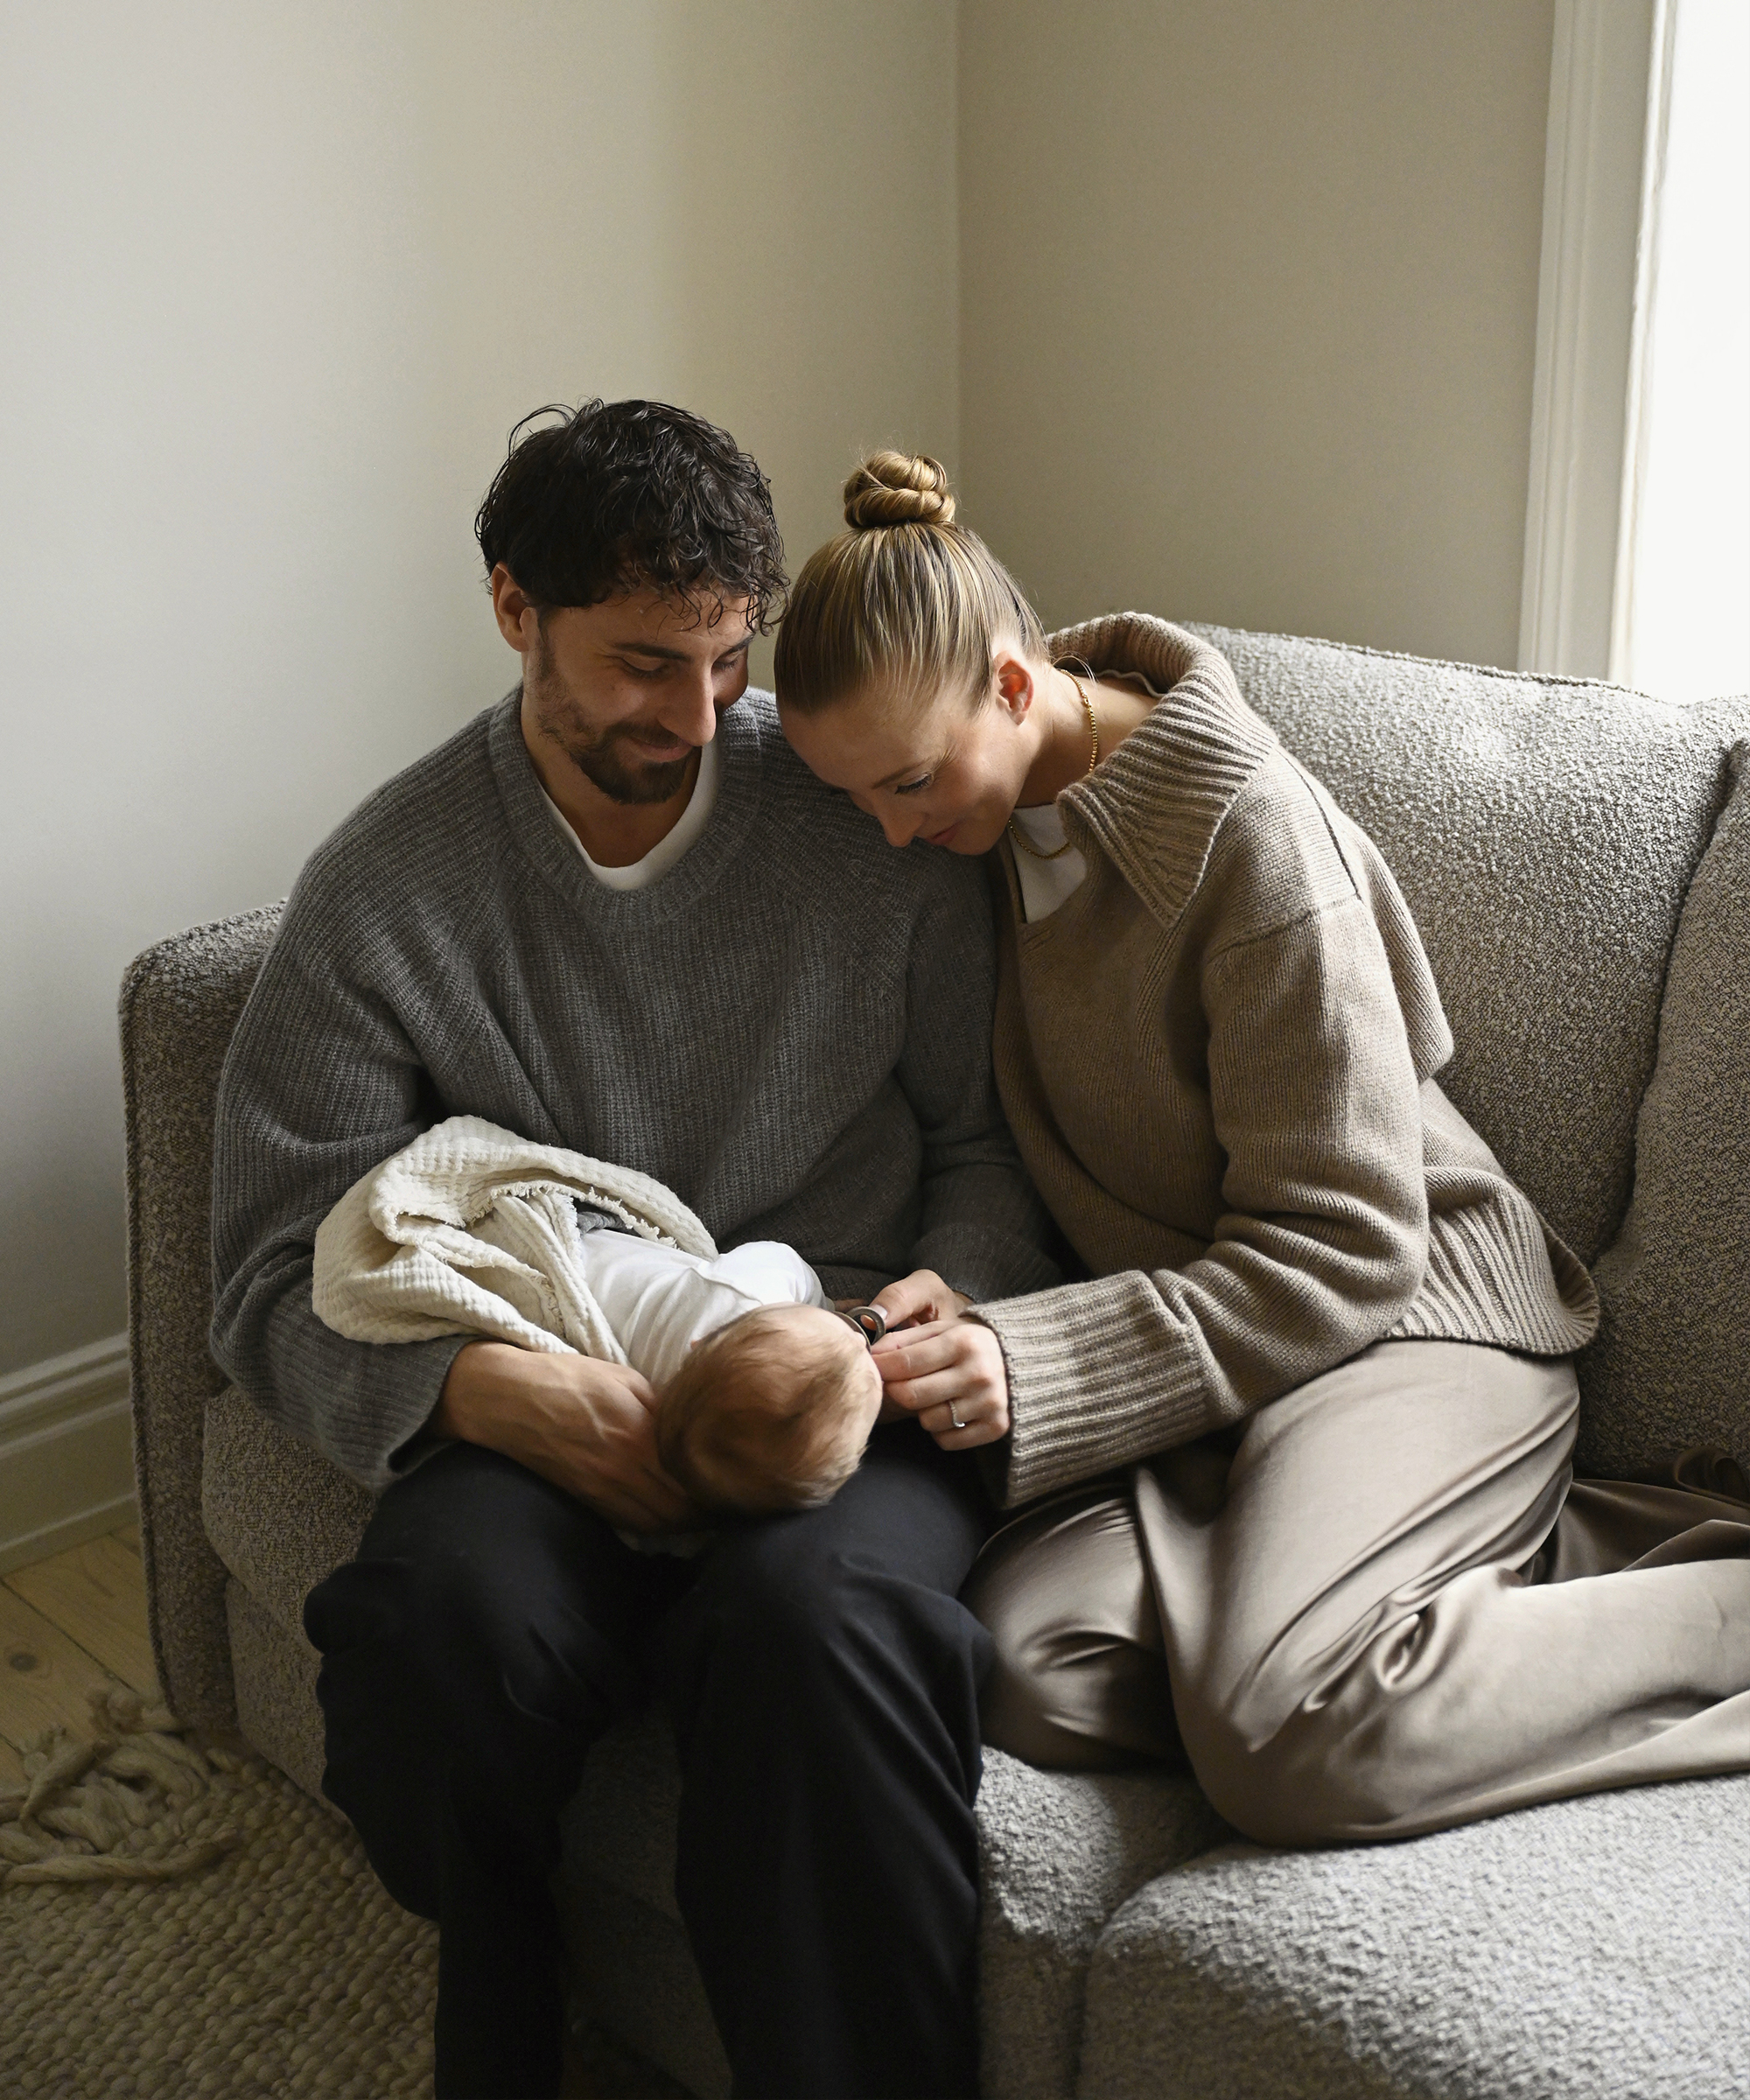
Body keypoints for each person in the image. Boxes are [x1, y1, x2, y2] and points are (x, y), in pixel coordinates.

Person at [209, 402, 1057, 2100]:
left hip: (832, 1366)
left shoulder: (850, 812)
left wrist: (916, 1319)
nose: (694, 716)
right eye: (641, 664)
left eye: (725, 661)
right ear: (514, 607)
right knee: (438, 1634)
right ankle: (507, 1978)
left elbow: (982, 1151)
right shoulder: (389, 890)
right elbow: (265, 1270)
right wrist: (485, 1396)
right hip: (552, 1360)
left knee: (812, 1636)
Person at [775, 449, 1750, 1842]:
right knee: (1026, 1670)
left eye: (911, 783)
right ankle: (1494, 1557)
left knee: (1284, 1740)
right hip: (1234, 1374)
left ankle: (1722, 1609)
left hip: (1407, 1320)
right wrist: (971, 1296)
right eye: (858, 797)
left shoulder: (1250, 844)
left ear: (1009, 681)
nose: (892, 832)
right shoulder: (991, 824)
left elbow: (1349, 1245)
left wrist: (1035, 1358)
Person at [308, 1108, 897, 1516]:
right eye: (860, 1334)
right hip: (547, 1232)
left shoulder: (747, 1307)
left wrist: (826, 1310)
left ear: (700, 1351)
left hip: (566, 1247)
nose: (858, 1338)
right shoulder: (705, 1419)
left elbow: (779, 1259)